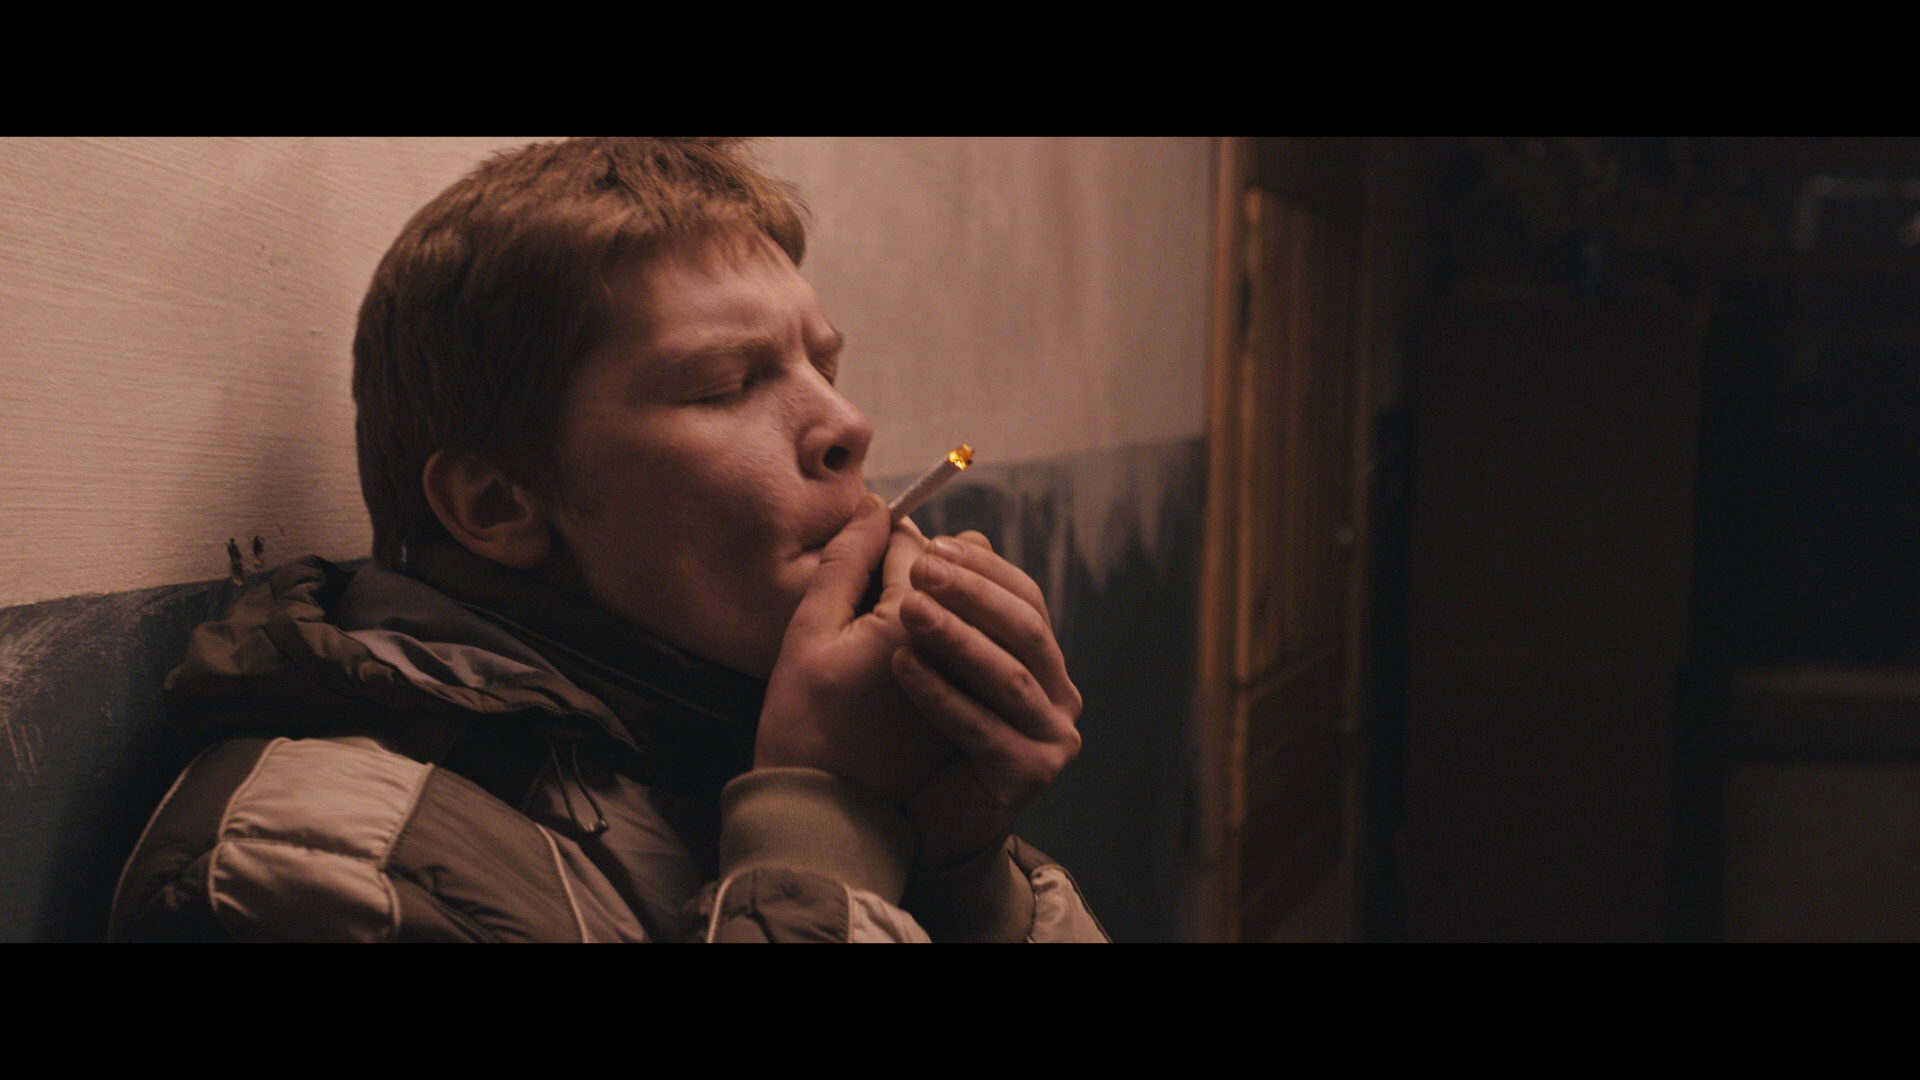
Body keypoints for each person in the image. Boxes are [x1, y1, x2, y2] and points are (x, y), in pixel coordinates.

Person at [109, 137, 1106, 942]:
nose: (849, 425)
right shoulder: (314, 873)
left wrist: (961, 877)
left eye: (824, 368)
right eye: (728, 384)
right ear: (497, 504)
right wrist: (822, 828)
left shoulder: (714, 723)